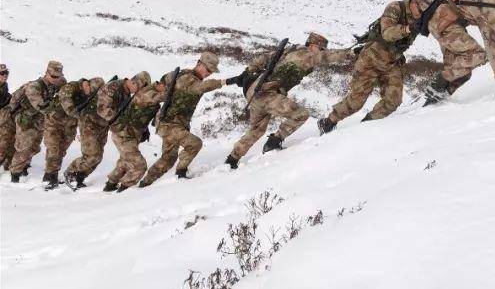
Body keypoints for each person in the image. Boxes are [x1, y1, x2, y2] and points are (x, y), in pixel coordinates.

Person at [225, 32, 355, 167]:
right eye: (320, 48)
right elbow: (326, 57)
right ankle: (273, 142)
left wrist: (248, 71)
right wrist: (351, 53)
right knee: (301, 114)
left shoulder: (289, 50)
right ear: (312, 46)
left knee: (256, 130)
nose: (321, 51)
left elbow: (264, 58)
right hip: (267, 94)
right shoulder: (306, 55)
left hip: (255, 91)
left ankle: (232, 159)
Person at [319, 0, 436, 134]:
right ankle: (328, 122)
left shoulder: (421, 17)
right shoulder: (395, 8)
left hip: (392, 62)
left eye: (425, 11)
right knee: (356, 103)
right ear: (414, 1)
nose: (421, 13)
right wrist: (407, 28)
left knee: (393, 101)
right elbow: (387, 34)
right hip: (370, 60)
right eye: (420, 8)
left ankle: (367, 127)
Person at [140, 52, 224, 186]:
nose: (209, 73)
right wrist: (222, 82)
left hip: (174, 123)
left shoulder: (181, 74)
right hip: (169, 125)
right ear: (199, 64)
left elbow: (165, 79)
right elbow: (198, 88)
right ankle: (181, 173)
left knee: (168, 159)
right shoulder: (188, 79)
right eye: (208, 70)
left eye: (212, 72)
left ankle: (145, 183)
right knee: (194, 144)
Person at [101, 71, 164, 192]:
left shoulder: (140, 96)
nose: (139, 90)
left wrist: (145, 130)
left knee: (125, 161)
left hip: (129, 135)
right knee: (139, 166)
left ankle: (110, 185)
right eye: (138, 86)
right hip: (123, 135)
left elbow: (144, 117)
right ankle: (124, 190)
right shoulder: (142, 96)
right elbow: (103, 109)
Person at [8, 61, 66, 183]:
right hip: (26, 120)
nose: (56, 79)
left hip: (39, 120)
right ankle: (15, 173)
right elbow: (42, 106)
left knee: (34, 147)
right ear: (47, 73)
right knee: (23, 148)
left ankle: (24, 166)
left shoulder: (58, 83)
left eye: (58, 76)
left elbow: (65, 90)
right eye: (54, 76)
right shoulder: (34, 87)